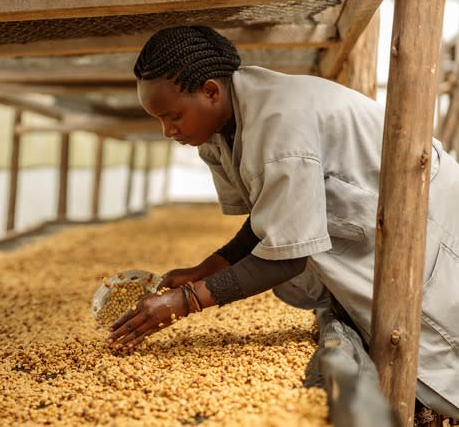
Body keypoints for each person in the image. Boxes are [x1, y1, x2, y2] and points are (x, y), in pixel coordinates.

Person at [107, 25, 459, 420]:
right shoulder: (228, 123)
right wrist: (209, 267)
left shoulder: (279, 122)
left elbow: (286, 257)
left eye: (173, 117)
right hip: (381, 231)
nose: (168, 131)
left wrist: (187, 302)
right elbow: (271, 214)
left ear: (210, 91)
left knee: (439, 350)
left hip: (430, 226)